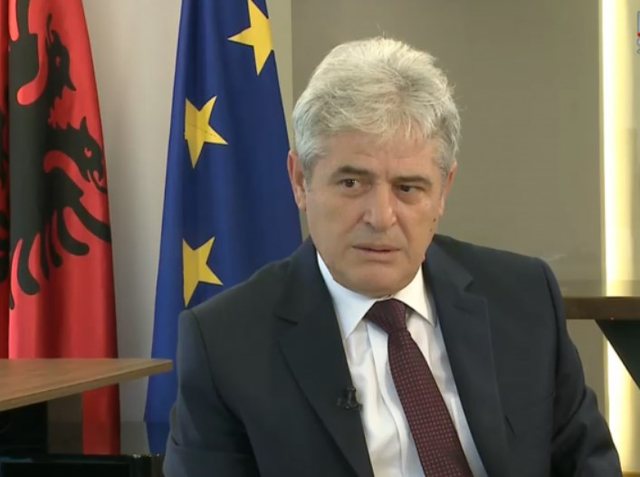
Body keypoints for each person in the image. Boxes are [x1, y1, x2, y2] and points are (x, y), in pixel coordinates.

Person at [163, 37, 621, 476]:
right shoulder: (225, 344)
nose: (381, 217)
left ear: (443, 191)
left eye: (408, 188)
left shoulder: (524, 299)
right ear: (300, 180)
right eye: (351, 183)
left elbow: (587, 465)